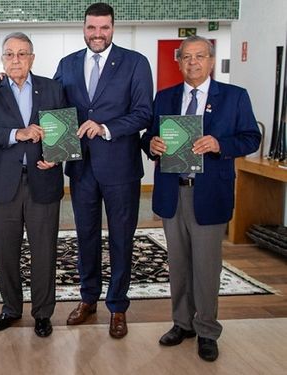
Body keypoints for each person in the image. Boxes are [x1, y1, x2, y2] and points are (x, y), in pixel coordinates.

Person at [141, 35, 261, 361]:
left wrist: (219, 144)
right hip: (172, 192)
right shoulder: (165, 98)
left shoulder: (234, 97)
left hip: (209, 194)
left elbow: (251, 137)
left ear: (210, 61)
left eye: (199, 57)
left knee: (206, 268)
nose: (193, 63)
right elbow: (149, 136)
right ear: (178, 62)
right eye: (186, 58)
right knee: (178, 265)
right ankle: (182, 323)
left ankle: (207, 329)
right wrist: (151, 145)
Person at [53, 2, 153, 338]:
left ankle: (118, 306)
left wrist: (106, 127)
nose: (98, 34)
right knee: (86, 237)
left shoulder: (135, 63)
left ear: (113, 28)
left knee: (122, 239)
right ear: (84, 28)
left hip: (121, 168)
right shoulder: (67, 65)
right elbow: (51, 105)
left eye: (104, 28)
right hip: (81, 167)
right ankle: (88, 298)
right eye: (92, 28)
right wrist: (6, 82)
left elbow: (143, 114)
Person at [0, 32, 66, 338]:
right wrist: (18, 134)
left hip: (44, 180)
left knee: (44, 251)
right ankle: (11, 309)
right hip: (4, 185)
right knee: (5, 252)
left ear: (32, 58)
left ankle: (42, 313)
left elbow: (64, 130)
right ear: (3, 59)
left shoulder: (53, 88)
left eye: (22, 54)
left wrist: (57, 156)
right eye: (10, 54)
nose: (16, 60)